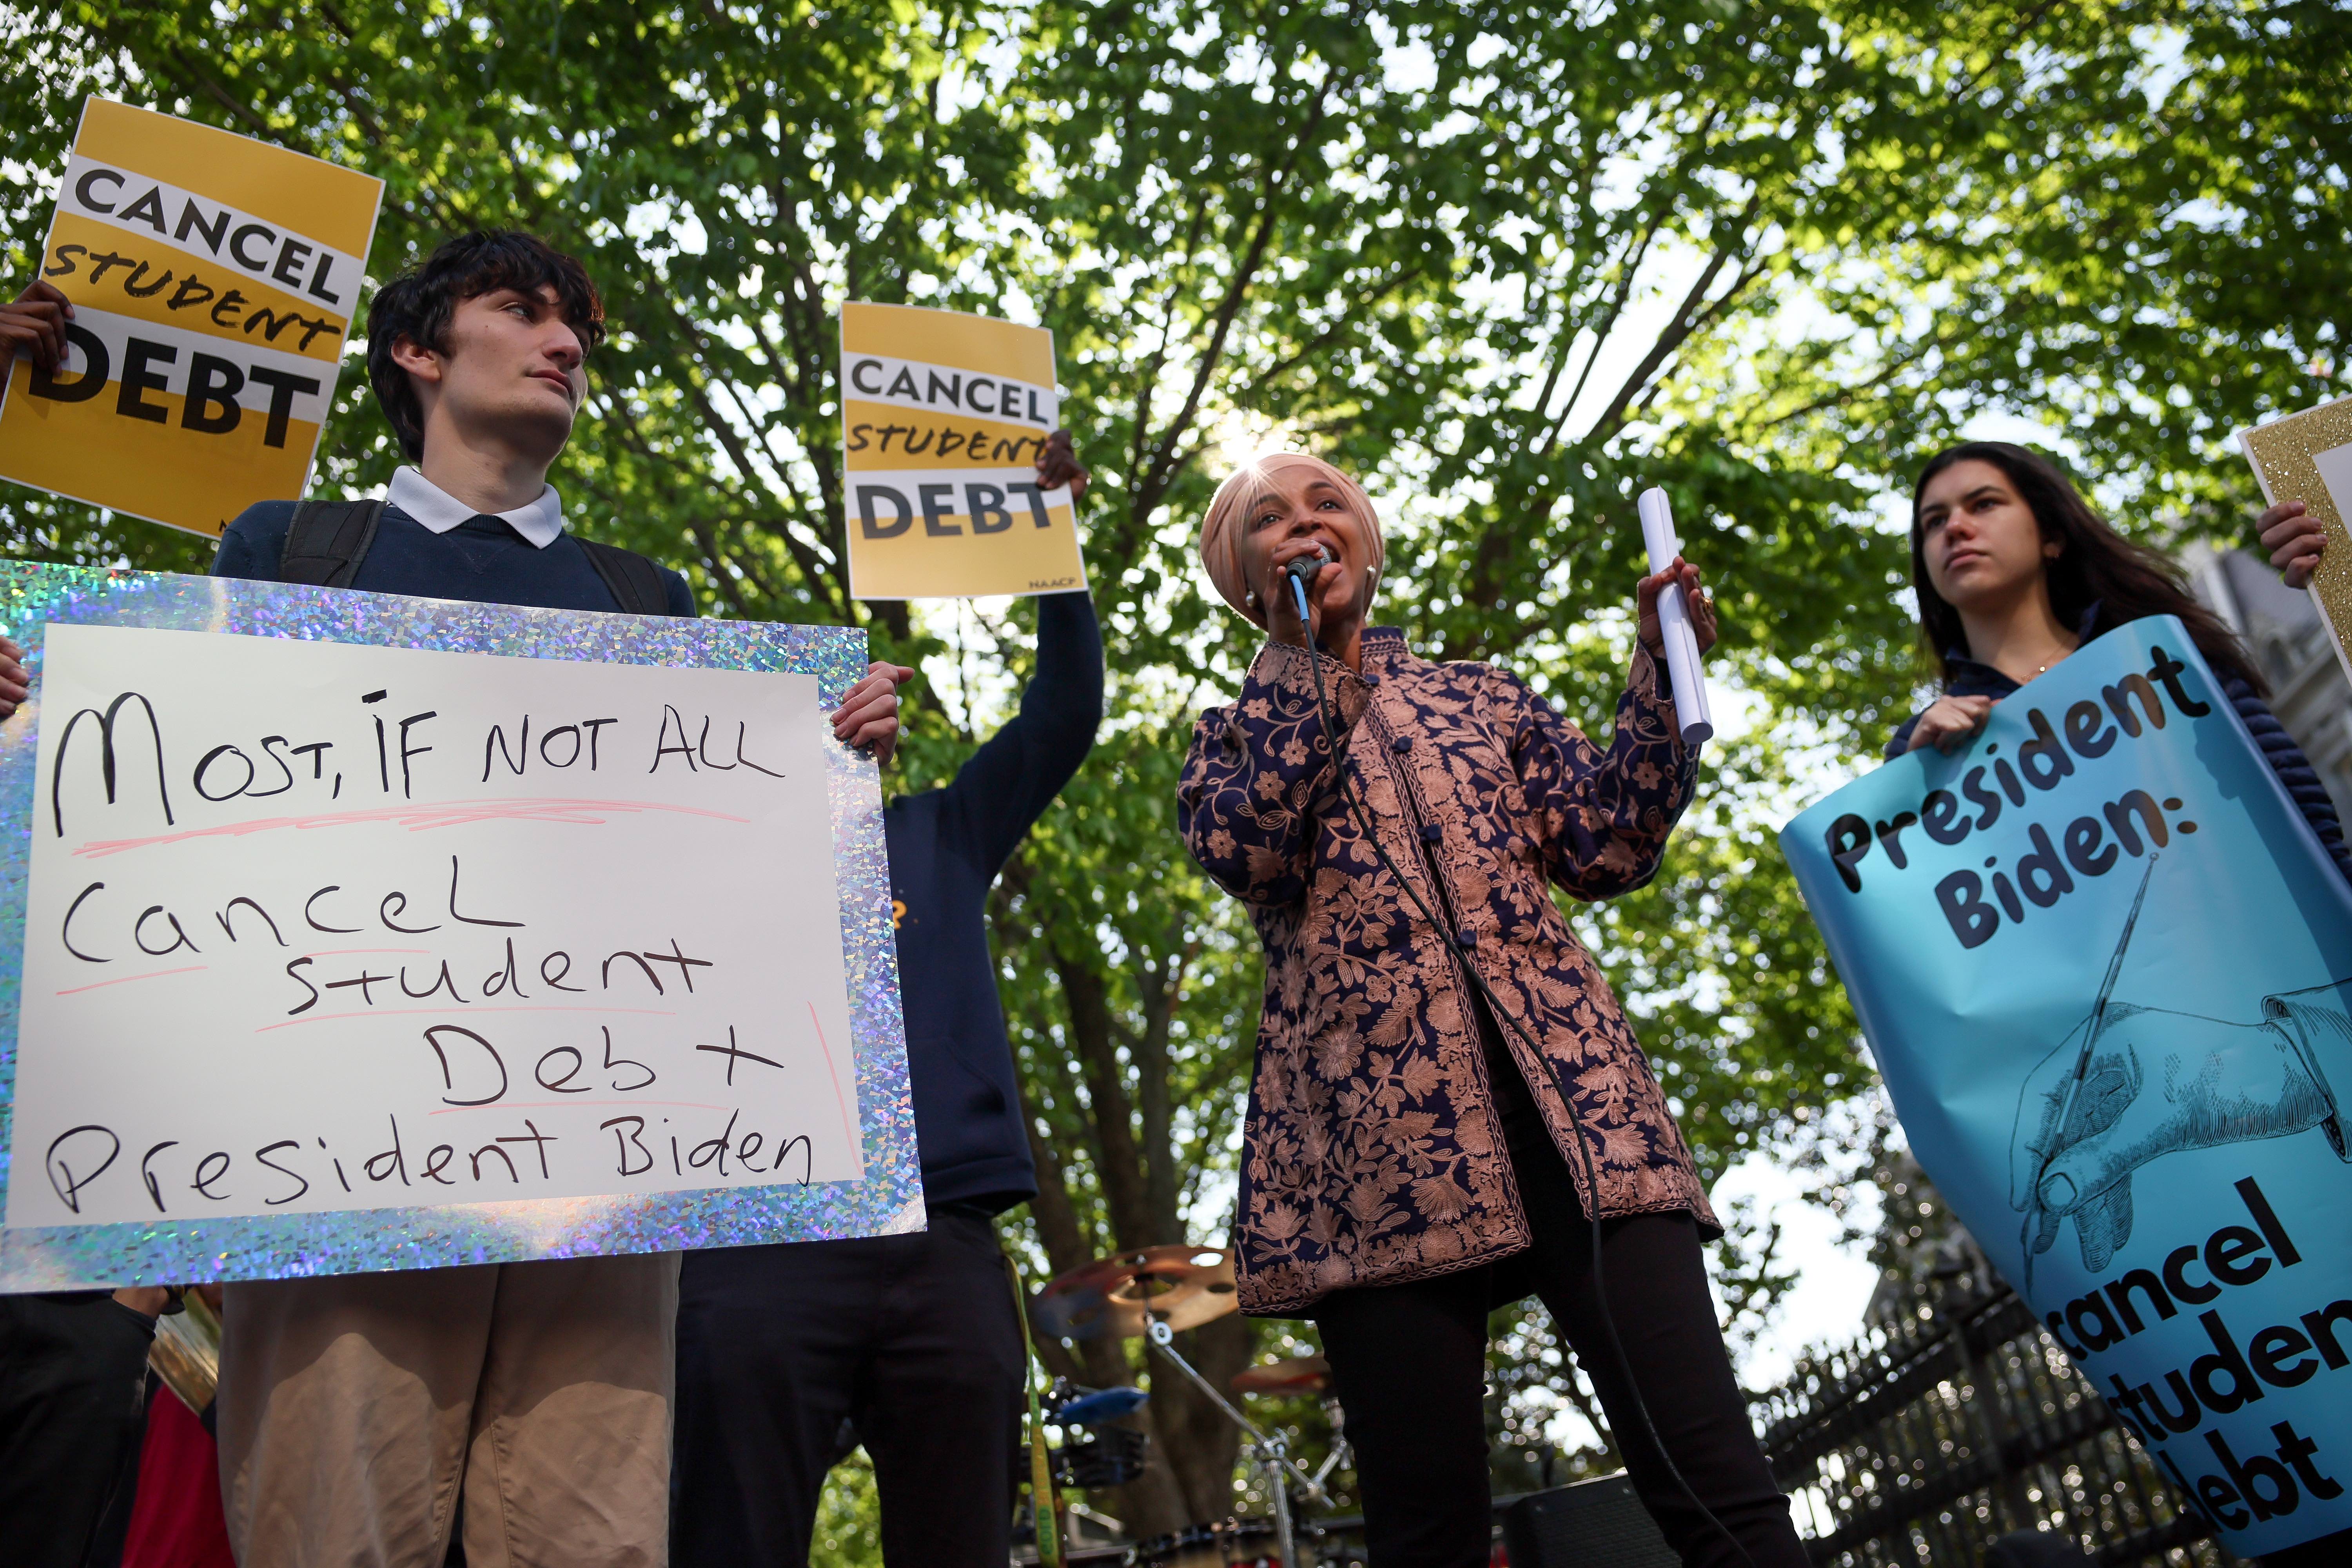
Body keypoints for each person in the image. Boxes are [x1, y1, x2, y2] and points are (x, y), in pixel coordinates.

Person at [198, 229, 905, 1568]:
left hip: (601, 1190)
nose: (567, 345)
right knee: (331, 1538)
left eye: (575, 326)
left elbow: (713, 889)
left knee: (595, 1545)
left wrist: (827, 765)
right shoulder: (288, 552)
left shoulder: (654, 603)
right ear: (418, 352)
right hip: (337, 1169)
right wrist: (36, 718)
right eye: (520, 313)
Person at [1176, 453, 1806, 1568]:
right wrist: (1307, 664)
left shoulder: (1484, 695)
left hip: (1582, 1116)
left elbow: (1608, 841)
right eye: (1268, 521)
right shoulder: (1227, 739)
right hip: (1378, 1156)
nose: (1303, 526)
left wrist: (1661, 670)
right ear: (1240, 583)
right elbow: (1255, 848)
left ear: (1369, 546)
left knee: (1718, 1486)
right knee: (1428, 1533)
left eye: (1328, 506)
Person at [670, 444, 1102, 1568]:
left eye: (850, 692)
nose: (840, 710)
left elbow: (1061, 715)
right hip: (756, 1238)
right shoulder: (683, 874)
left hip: (943, 1241)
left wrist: (1054, 546)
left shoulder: (939, 831)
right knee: (732, 1536)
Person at [1889, 442, 2350, 880]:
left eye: (1984, 504)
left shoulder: (2166, 657)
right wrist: (1919, 788)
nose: (1955, 528)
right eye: (1933, 522)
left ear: (2051, 536)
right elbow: (1922, 910)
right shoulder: (1922, 745)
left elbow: (2296, 805)